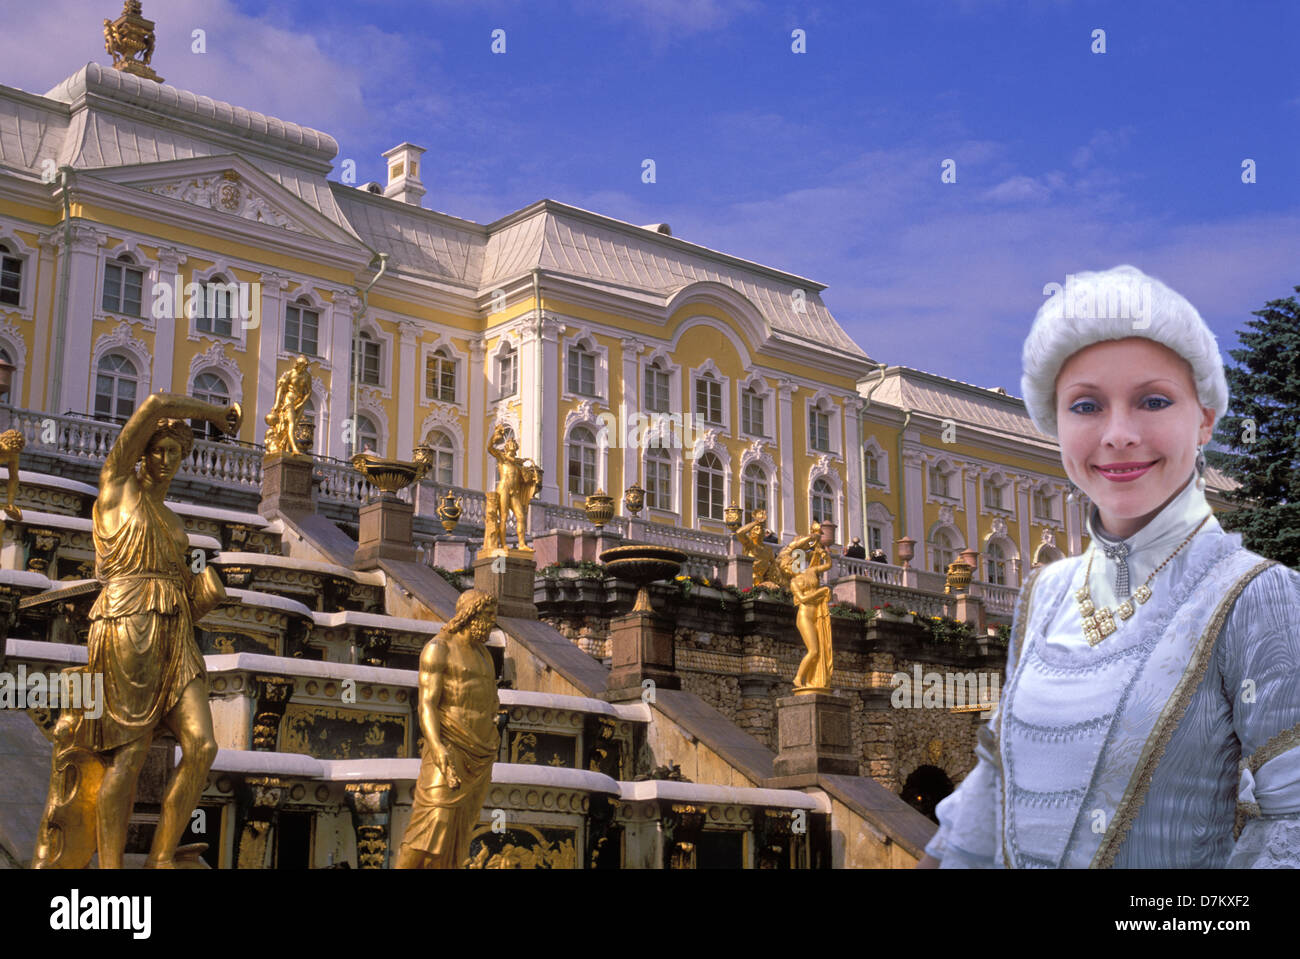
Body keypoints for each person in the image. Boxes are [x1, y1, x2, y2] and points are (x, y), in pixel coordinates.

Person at [918, 266, 1300, 869]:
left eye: (1153, 400)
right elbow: (992, 791)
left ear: (1204, 418)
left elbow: (1292, 826)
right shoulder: (1044, 592)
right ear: (1056, 424)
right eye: (1087, 405)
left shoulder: (1257, 593)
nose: (1119, 435)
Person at [39, 393, 239, 869]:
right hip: (126, 625)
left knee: (203, 746)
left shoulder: (171, 520)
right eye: (159, 449)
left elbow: (183, 599)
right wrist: (217, 416)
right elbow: (154, 403)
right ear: (141, 450)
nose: (167, 461)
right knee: (127, 759)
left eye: (176, 453)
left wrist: (204, 592)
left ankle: (161, 858)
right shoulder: (115, 487)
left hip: (176, 634)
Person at [396, 589, 500, 868]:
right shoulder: (438, 648)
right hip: (449, 744)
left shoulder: (484, 655)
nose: (493, 622)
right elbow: (426, 705)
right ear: (471, 614)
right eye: (489, 615)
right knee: (433, 820)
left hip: (480, 751)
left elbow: (490, 697)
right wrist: (437, 746)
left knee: (462, 826)